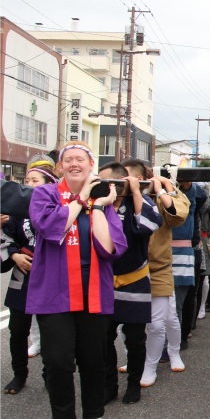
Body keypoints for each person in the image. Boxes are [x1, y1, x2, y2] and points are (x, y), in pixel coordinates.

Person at [26, 141, 127, 419]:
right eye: (68, 159)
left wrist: (96, 207)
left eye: (80, 159)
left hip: (93, 289)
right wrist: (81, 198)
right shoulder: (45, 194)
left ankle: (93, 414)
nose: (74, 164)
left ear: (91, 165)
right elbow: (49, 226)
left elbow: (109, 249)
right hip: (54, 291)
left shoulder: (103, 200)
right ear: (59, 166)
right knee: (58, 363)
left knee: (93, 362)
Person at [100, 161, 162, 405]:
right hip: (104, 281)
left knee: (135, 338)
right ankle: (109, 385)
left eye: (107, 182)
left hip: (134, 280)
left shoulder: (136, 201)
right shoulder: (98, 205)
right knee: (104, 337)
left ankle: (134, 384)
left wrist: (136, 191)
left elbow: (149, 225)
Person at [1, 164, 58, 395]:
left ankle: (49, 375)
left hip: (50, 277)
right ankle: (19, 374)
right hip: (22, 275)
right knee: (17, 330)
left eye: (36, 181)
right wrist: (14, 254)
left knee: (52, 331)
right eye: (28, 180)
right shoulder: (16, 212)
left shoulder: (57, 207)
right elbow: (7, 237)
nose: (30, 184)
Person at [140, 174, 190, 387]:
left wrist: (164, 187)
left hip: (159, 267)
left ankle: (170, 354)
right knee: (127, 322)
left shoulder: (159, 198)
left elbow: (179, 215)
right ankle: (138, 359)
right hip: (129, 268)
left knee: (163, 321)